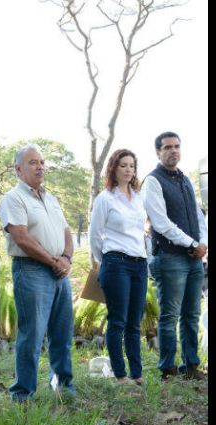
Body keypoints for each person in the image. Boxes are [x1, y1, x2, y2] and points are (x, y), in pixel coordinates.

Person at [0, 144, 75, 401]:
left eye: (41, 162)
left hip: (59, 273)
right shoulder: (13, 198)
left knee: (62, 334)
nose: (40, 166)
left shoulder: (51, 198)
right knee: (31, 336)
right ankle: (23, 395)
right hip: (31, 271)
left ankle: (64, 388)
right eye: (32, 162)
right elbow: (21, 237)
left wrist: (65, 258)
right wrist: (53, 260)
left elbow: (66, 232)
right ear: (19, 169)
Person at [141, 131, 207, 381]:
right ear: (158, 151)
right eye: (167, 147)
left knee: (191, 315)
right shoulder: (153, 181)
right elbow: (160, 222)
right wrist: (191, 242)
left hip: (193, 259)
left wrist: (202, 243)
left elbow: (198, 216)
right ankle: (167, 368)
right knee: (170, 315)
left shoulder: (185, 180)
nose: (173, 151)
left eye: (177, 146)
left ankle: (191, 366)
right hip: (169, 258)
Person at [89, 148, 148, 385]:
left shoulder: (138, 197)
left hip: (139, 263)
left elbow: (140, 233)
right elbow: (95, 235)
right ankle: (120, 375)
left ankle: (137, 374)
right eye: (123, 165)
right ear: (113, 168)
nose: (128, 170)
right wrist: (105, 263)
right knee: (118, 320)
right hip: (116, 263)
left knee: (134, 322)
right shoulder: (105, 198)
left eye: (132, 166)